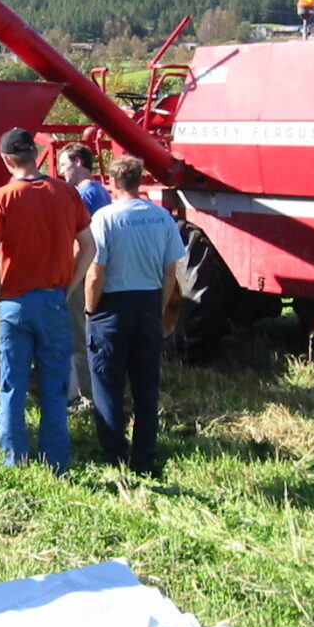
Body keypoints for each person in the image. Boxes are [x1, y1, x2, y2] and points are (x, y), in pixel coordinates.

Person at [0, 128, 95, 473]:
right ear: (36, 156)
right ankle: (55, 463)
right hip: (54, 299)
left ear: (5, 160)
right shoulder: (66, 193)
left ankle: (15, 460)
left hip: (14, 303)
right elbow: (89, 247)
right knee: (55, 386)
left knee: (12, 386)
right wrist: (70, 287)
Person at [84, 156, 186, 476]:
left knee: (107, 385)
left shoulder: (105, 218)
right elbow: (171, 271)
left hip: (111, 306)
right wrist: (158, 306)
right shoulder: (162, 218)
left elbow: (96, 273)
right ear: (139, 181)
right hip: (148, 303)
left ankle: (114, 455)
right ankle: (144, 458)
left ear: (112, 183)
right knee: (145, 387)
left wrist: (90, 309)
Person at [56, 142, 111, 407]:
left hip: (84, 270)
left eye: (64, 165)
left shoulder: (83, 194)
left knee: (78, 334)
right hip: (98, 268)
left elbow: (78, 238)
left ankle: (85, 396)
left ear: (78, 162)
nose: (62, 172)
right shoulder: (99, 190)